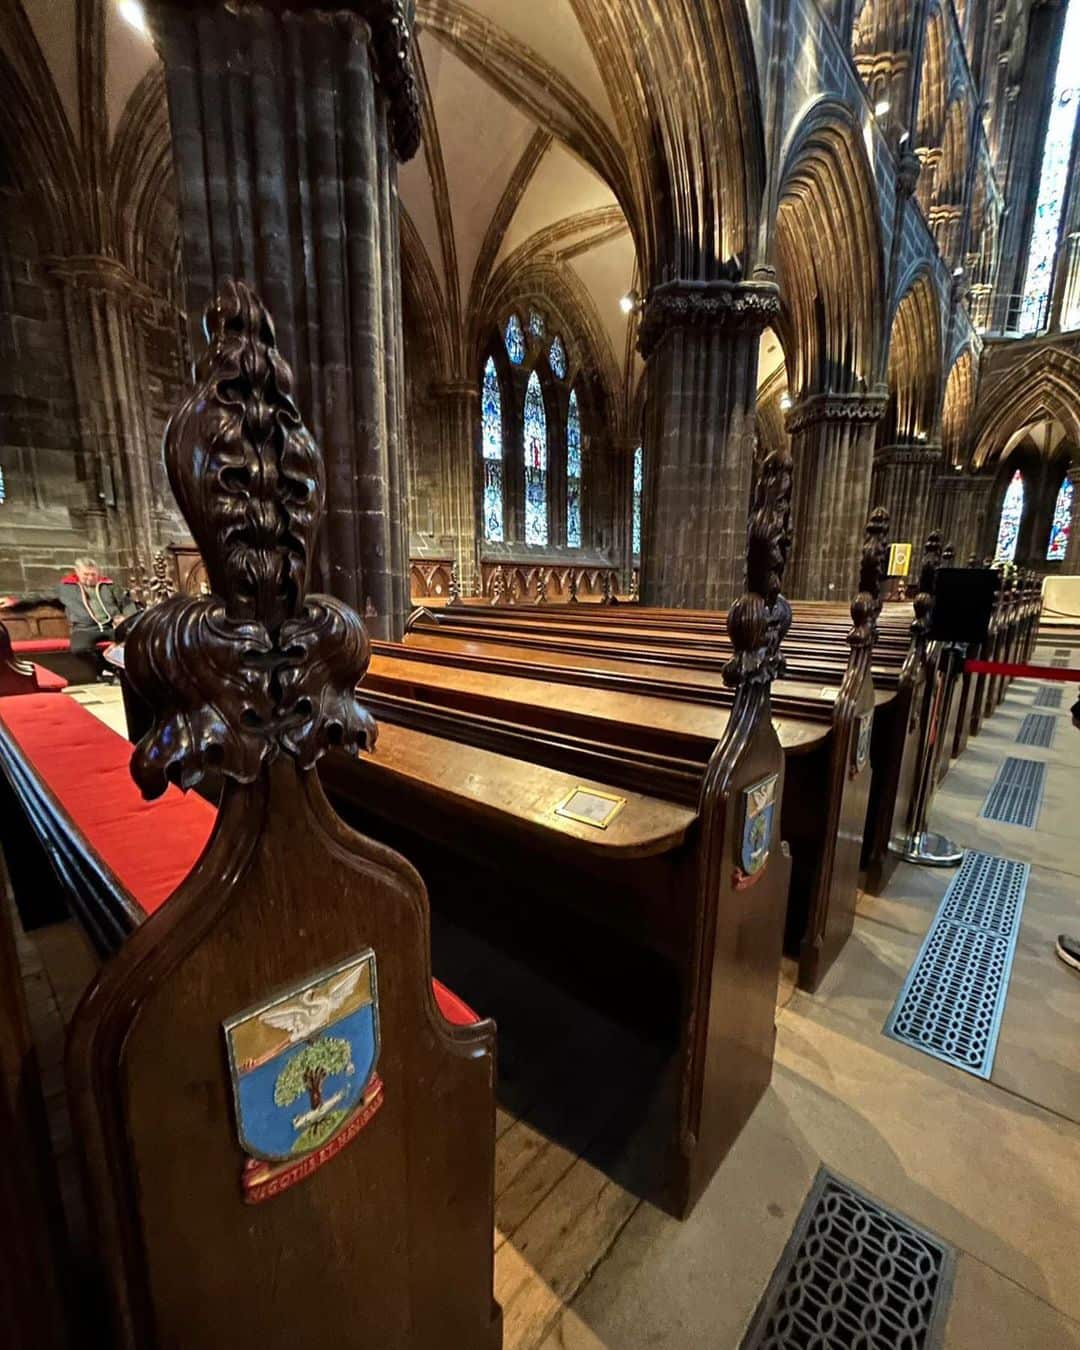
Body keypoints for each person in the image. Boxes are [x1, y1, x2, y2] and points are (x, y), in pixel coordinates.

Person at [1, 557, 138, 654]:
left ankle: (119, 670)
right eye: (86, 574)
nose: (90, 578)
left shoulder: (109, 586)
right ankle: (105, 670)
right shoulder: (65, 588)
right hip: (84, 629)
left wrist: (127, 619)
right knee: (79, 649)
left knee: (133, 641)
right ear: (77, 572)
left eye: (93, 574)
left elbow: (126, 602)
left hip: (111, 626)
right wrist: (14, 601)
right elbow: (40, 597)